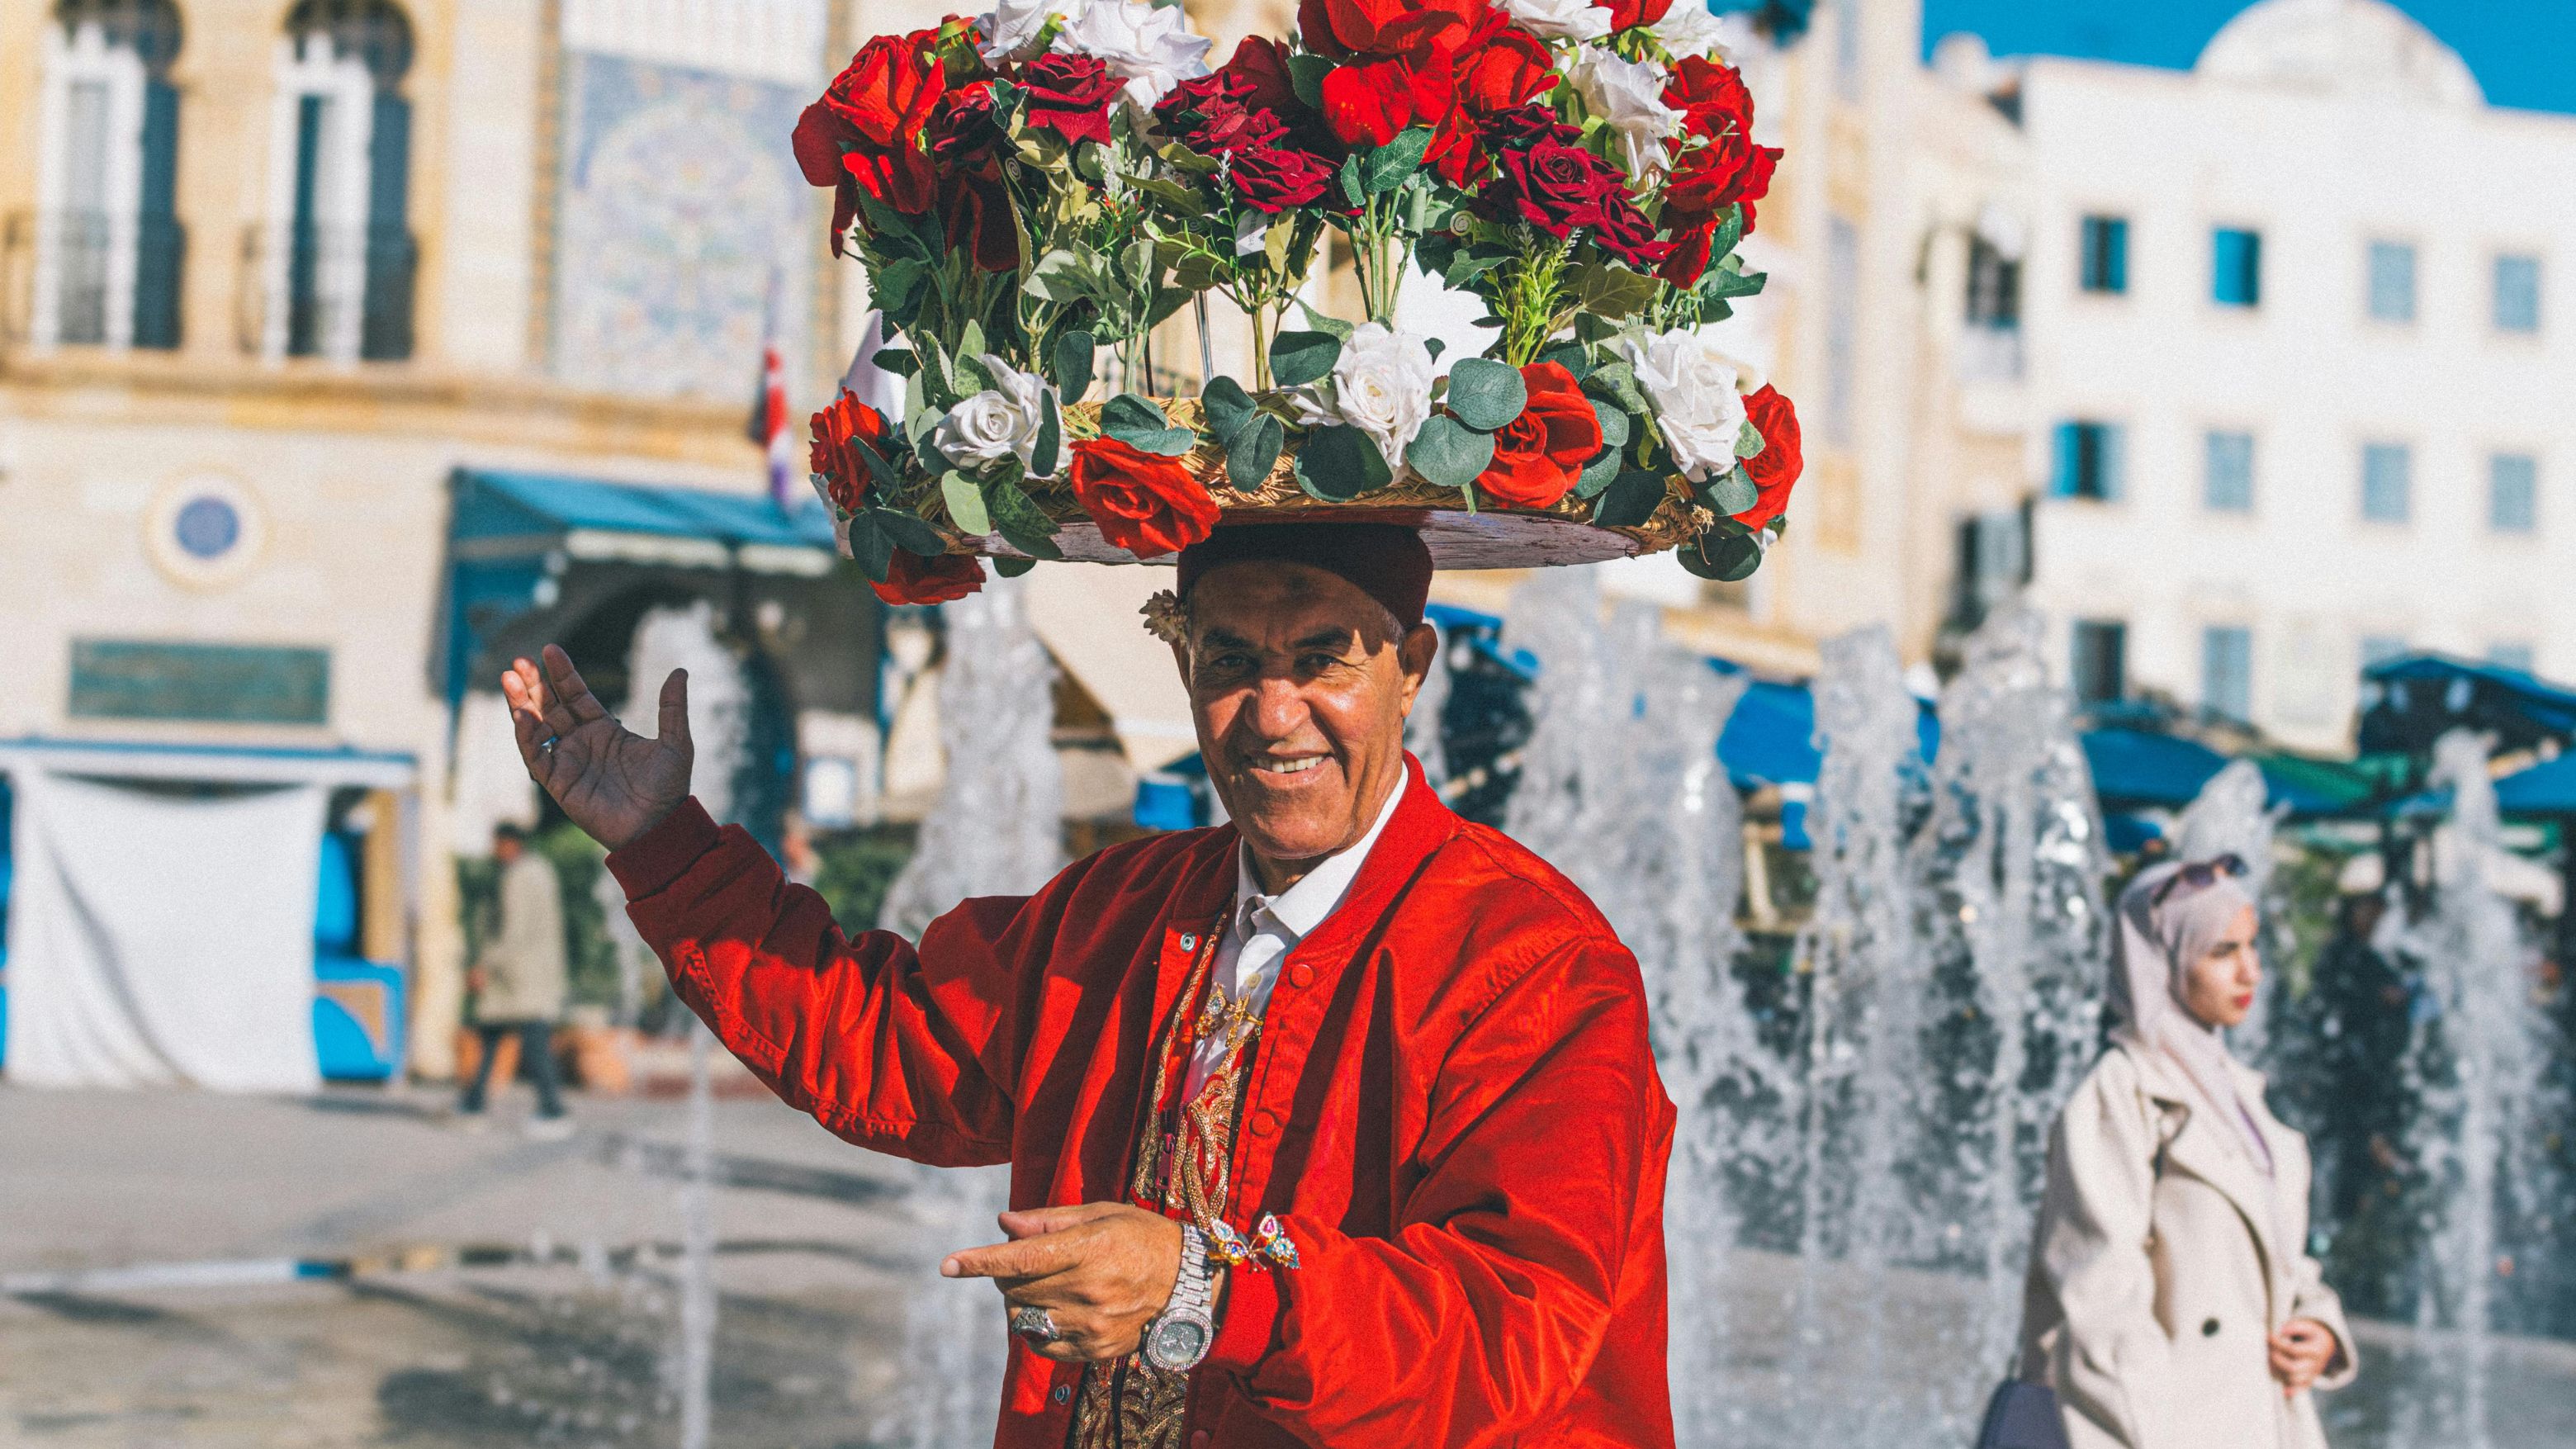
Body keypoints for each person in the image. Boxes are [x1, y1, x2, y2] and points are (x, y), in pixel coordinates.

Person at [498, 524, 1678, 1448]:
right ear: (1181, 659)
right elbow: (890, 1046)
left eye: (1324, 658)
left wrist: (1211, 1292)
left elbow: (1516, 1328)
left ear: (1410, 668)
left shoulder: (1532, 962)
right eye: (1231, 661)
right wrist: (663, 845)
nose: (1274, 715)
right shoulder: (1120, 909)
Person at [2019, 856, 2358, 1449]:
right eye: (2222, 951)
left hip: (2269, 1417)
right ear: (2161, 958)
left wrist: (2320, 1326)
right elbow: (2100, 1297)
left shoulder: (2238, 1090)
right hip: (2170, 1424)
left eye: (2253, 947)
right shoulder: (2122, 1091)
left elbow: (2276, 1255)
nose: (2250, 971)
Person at [457, 822, 571, 1138]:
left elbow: (513, 931)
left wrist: (484, 965)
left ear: (509, 844)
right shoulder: (542, 871)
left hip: (517, 978)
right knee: (494, 1037)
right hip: (530, 975)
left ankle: (553, 1110)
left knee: (531, 1044)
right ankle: (473, 1103)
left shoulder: (519, 876)